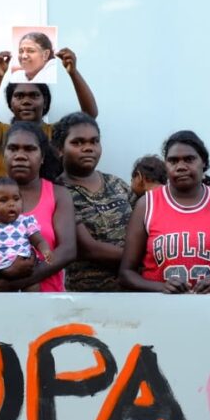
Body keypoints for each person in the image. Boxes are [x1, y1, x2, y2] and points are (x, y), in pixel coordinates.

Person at [118, 130, 210, 293]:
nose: (181, 166)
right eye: (173, 161)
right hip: (159, 311)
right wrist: (161, 287)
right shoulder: (147, 205)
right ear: (166, 166)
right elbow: (126, 273)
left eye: (189, 159)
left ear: (203, 162)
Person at [0, 122, 76, 292]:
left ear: (42, 156)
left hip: (47, 301)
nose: (20, 155)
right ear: (4, 154)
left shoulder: (58, 194)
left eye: (29, 149)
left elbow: (68, 250)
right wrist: (5, 270)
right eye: (13, 148)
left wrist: (18, 282)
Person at [0, 49, 98, 180]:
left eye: (34, 95)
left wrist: (73, 73)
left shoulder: (56, 132)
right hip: (5, 199)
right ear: (10, 103)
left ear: (45, 102)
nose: (26, 101)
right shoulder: (1, 132)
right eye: (19, 96)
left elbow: (89, 116)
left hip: (50, 199)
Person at [54, 112, 132, 292]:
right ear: (59, 148)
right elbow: (88, 249)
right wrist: (142, 258)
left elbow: (144, 229)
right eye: (77, 142)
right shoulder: (57, 192)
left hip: (132, 292)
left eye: (94, 141)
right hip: (87, 298)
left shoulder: (117, 184)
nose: (88, 148)